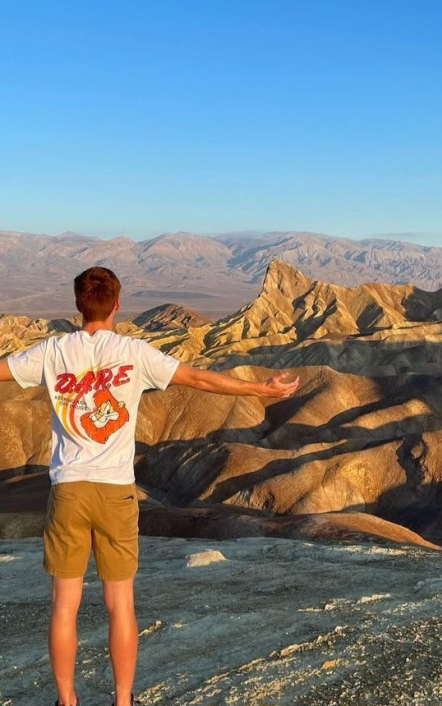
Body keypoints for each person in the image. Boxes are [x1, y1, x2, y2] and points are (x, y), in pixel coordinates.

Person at [0, 266, 299, 706]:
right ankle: (123, 701)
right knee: (120, 604)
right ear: (117, 304)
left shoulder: (53, 351)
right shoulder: (134, 353)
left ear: (78, 305)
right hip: (116, 492)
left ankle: (66, 700)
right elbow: (199, 379)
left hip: (69, 490)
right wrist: (261, 389)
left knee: (64, 605)